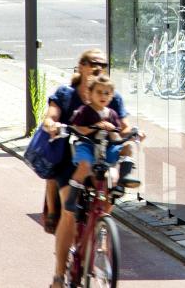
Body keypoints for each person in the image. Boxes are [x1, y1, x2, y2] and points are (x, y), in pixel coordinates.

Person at [42, 49, 132, 288]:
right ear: (81, 66)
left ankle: (102, 227)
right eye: (93, 63)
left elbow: (123, 126)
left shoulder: (110, 95)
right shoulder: (66, 94)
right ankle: (59, 275)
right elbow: (51, 116)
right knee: (70, 215)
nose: (98, 68)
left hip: (101, 159)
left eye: (103, 64)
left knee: (109, 189)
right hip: (69, 162)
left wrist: (129, 135)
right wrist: (51, 125)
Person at [63, 75, 140, 215]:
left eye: (107, 93)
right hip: (87, 145)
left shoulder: (112, 114)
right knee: (84, 165)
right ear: (90, 93)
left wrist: (129, 136)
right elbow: (77, 128)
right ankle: (71, 199)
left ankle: (123, 182)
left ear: (111, 96)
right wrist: (96, 126)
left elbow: (116, 135)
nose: (103, 96)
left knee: (127, 147)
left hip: (106, 147)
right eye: (99, 92)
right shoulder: (84, 111)